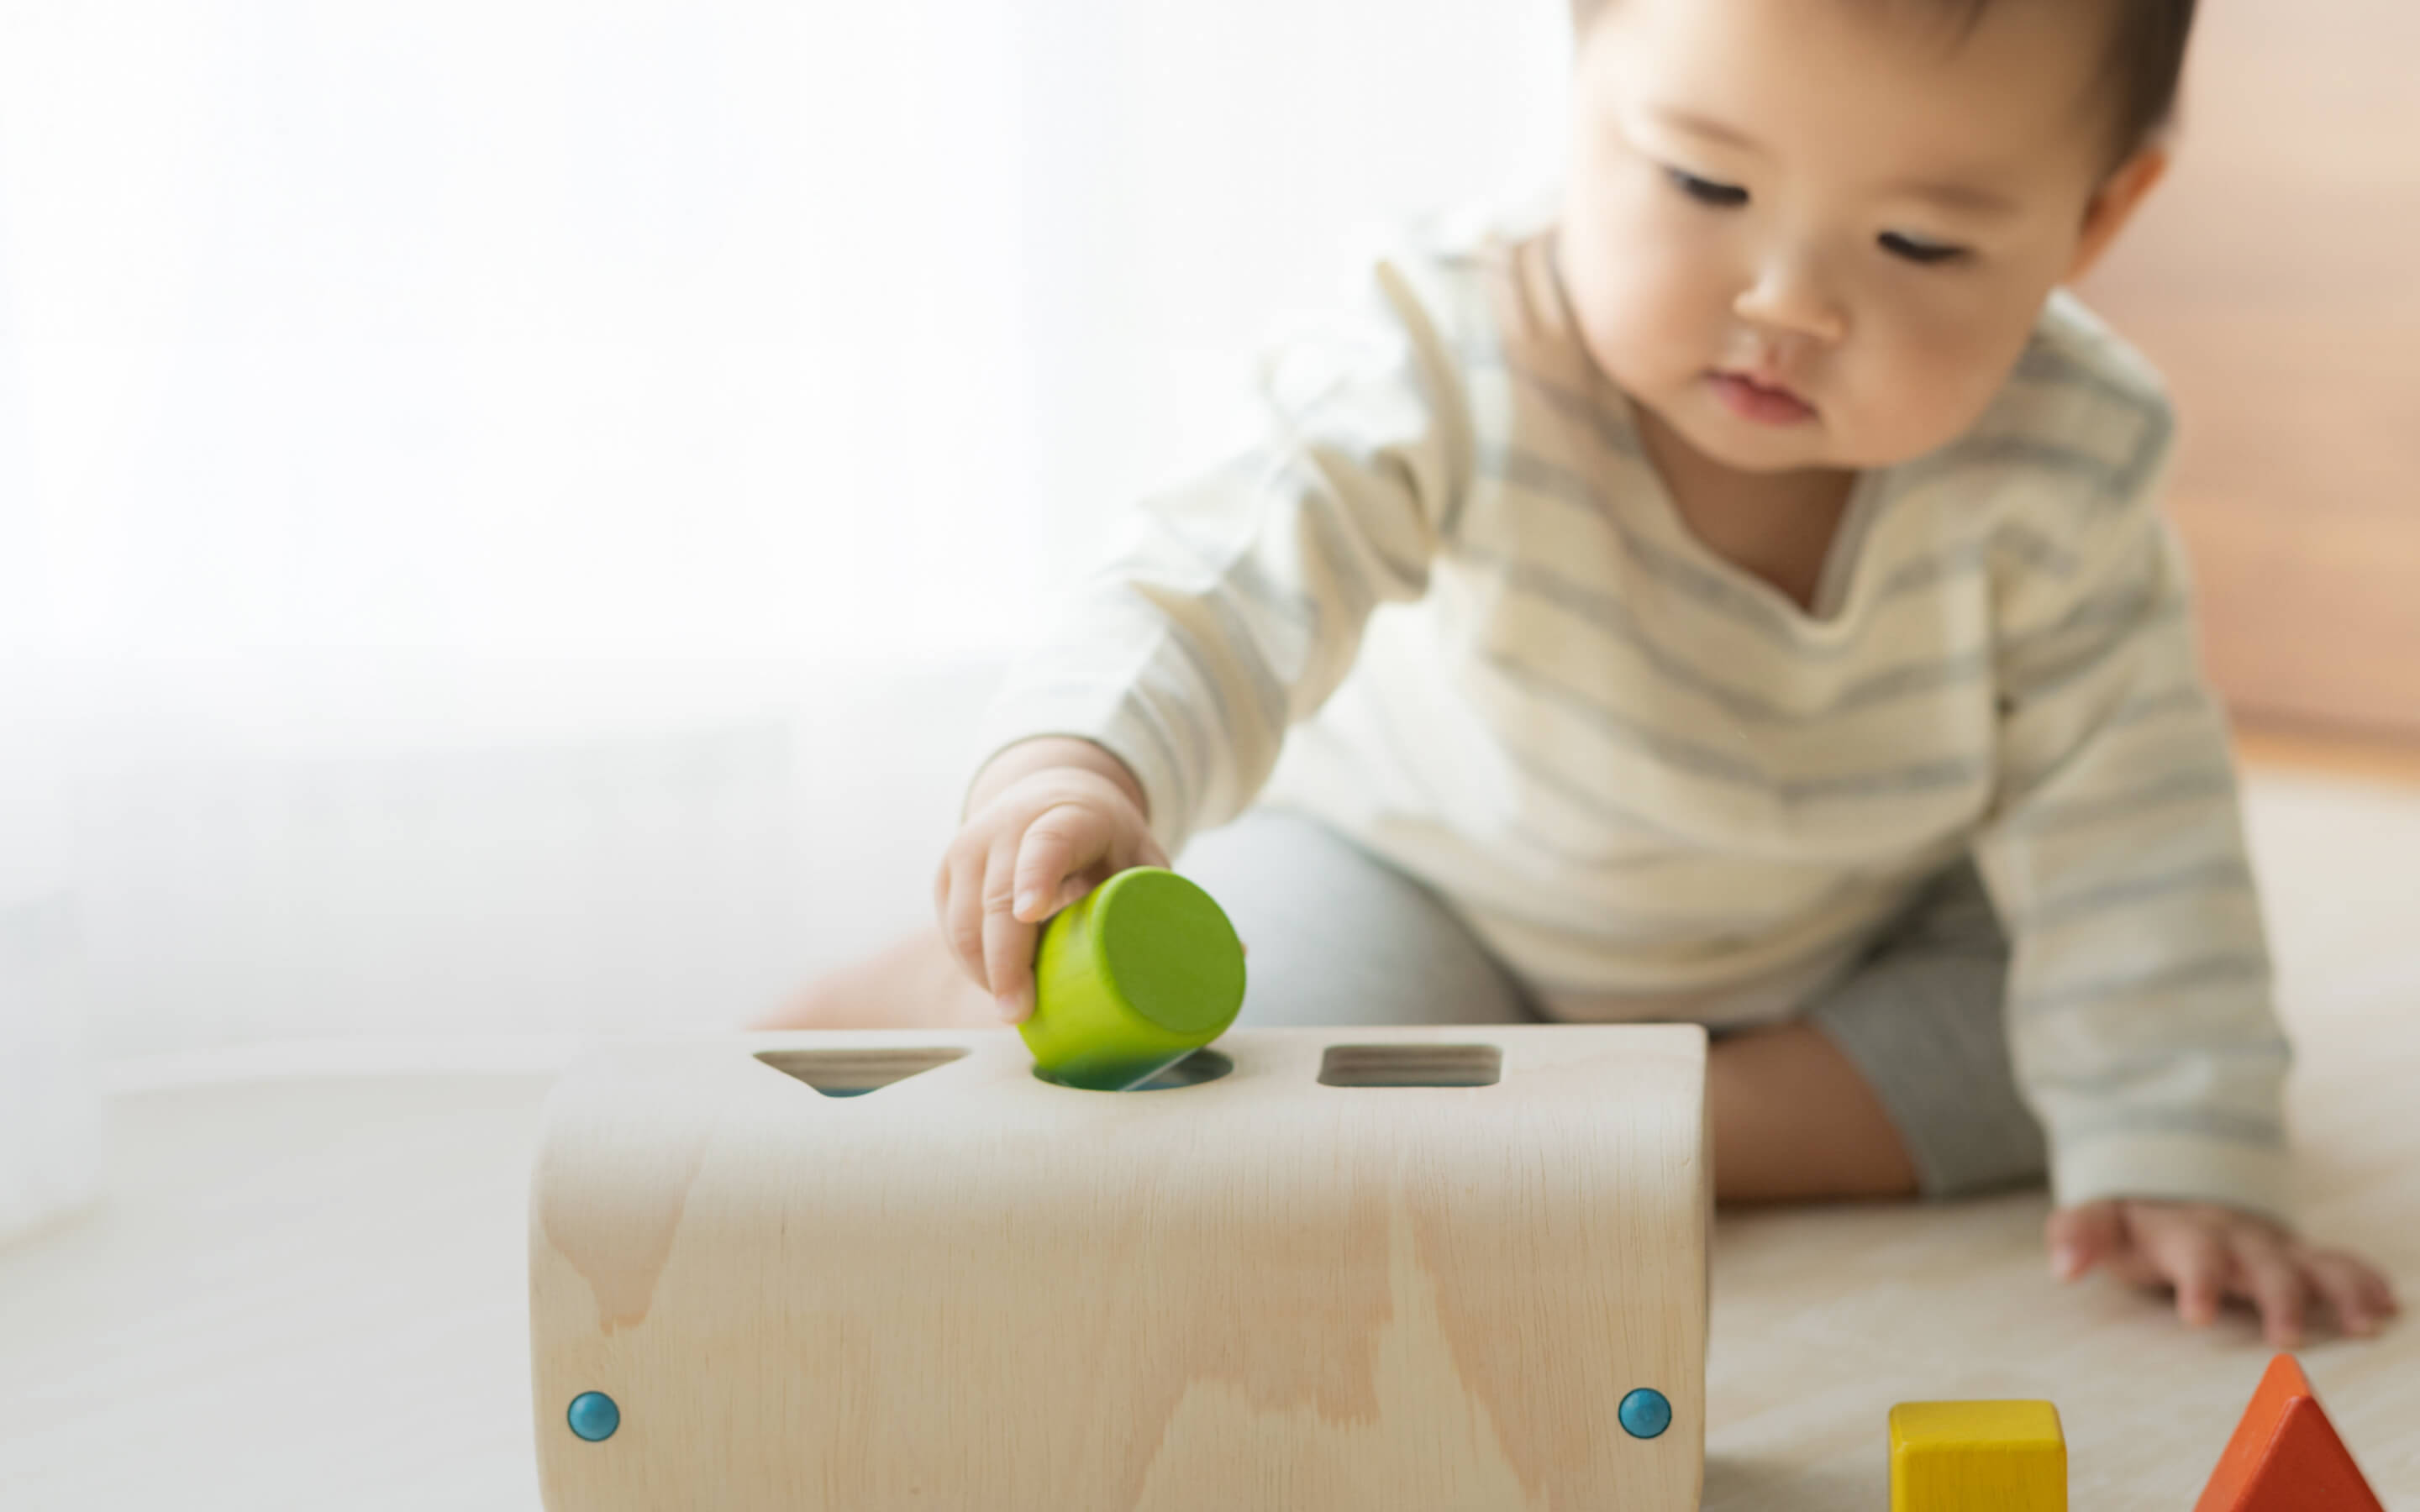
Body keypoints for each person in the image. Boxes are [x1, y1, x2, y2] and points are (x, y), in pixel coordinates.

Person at [771, 0, 2399, 1347]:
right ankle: (954, 982)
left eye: (1917, 241)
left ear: (2095, 218)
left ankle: (1616, 1127)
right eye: (1702, 183)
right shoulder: (1453, 346)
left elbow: (2134, 825)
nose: (1787, 301)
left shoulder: (2073, 458)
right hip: (1436, 880)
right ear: (1579, 76)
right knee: (1234, 1059)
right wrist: (1081, 764)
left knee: (2072, 1073)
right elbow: (1225, 570)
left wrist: (2189, 1154)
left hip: (1840, 926)